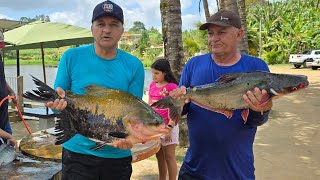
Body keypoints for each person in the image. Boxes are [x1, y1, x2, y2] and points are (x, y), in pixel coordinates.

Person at [45, 1, 148, 179]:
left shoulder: (135, 66)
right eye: (100, 24)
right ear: (92, 28)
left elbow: (132, 113)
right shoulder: (71, 57)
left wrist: (130, 139)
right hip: (76, 153)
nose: (106, 30)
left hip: (117, 157)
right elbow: (58, 102)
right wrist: (56, 103)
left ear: (122, 30)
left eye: (113, 25)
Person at [170, 10, 273, 179]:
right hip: (194, 169)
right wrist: (178, 102)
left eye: (222, 32)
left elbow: (256, 121)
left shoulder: (256, 67)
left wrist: (261, 109)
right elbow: (183, 110)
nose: (214, 38)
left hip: (236, 170)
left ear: (239, 34)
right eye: (211, 33)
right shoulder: (194, 64)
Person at [148, 59, 179, 180]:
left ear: (165, 73)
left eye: (157, 73)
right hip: (156, 127)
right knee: (159, 156)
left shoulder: (172, 87)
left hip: (169, 126)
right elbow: (150, 105)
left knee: (169, 156)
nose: (153, 76)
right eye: (152, 73)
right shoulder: (151, 85)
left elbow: (177, 109)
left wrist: (169, 128)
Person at [0, 30, 18, 151]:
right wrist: (9, 136)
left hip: (4, 117)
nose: (2, 47)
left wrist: (11, 92)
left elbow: (2, 80)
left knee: (11, 155)